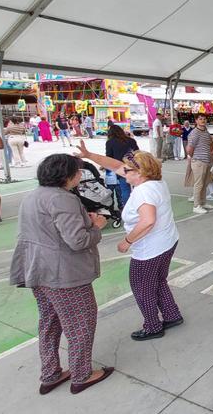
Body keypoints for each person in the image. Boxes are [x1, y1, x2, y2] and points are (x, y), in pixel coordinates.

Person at [9, 154, 113, 395]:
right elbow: (78, 241)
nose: (80, 175)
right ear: (67, 176)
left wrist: (82, 221)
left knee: (50, 322)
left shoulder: (32, 196)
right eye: (78, 171)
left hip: (37, 269)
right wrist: (97, 226)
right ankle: (81, 375)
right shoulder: (62, 199)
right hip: (63, 274)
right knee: (80, 323)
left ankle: (51, 373)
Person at [76, 142, 184, 340]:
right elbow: (115, 165)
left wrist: (127, 241)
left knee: (142, 287)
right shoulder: (154, 181)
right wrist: (90, 155)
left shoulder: (144, 191)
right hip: (167, 242)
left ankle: (152, 326)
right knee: (158, 281)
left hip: (150, 249)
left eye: (127, 170)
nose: (122, 172)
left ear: (139, 172)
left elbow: (148, 221)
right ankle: (171, 314)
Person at [186, 114, 213, 214]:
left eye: (204, 119)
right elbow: (189, 148)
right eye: (200, 119)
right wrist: (194, 157)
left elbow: (210, 145)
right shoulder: (195, 133)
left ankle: (202, 202)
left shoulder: (205, 132)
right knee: (199, 184)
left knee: (204, 183)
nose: (203, 120)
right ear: (196, 121)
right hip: (199, 161)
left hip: (206, 161)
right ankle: (196, 205)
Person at [105, 124, 139, 210]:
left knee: (125, 189)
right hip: (134, 165)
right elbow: (138, 153)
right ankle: (139, 204)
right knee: (137, 187)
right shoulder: (131, 140)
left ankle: (128, 208)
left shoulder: (110, 142)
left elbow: (109, 157)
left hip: (120, 168)